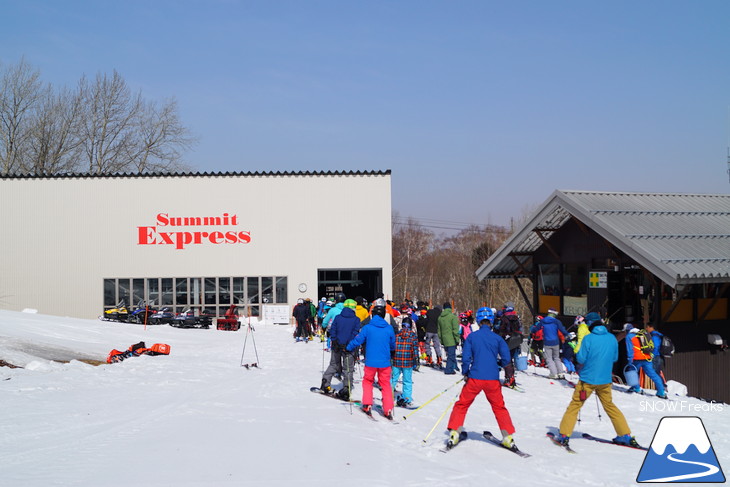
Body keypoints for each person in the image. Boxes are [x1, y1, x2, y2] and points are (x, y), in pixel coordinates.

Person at [556, 315, 639, 448]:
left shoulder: (588, 338)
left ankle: (564, 435)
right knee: (610, 407)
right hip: (605, 380)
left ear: (590, 326)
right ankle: (625, 435)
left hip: (587, 379)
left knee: (575, 406)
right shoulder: (612, 338)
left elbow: (581, 359)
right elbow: (615, 358)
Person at [446, 306, 518, 449]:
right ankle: (508, 436)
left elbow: (466, 357)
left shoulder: (472, 337)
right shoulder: (497, 338)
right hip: (492, 379)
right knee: (499, 407)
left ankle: (454, 432)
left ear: (478, 321)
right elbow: (506, 358)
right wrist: (507, 371)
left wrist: (465, 372)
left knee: (462, 404)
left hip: (475, 378)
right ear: (491, 321)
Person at [346, 299, 396, 419]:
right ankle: (388, 409)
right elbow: (393, 344)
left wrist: (348, 347)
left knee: (368, 381)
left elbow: (358, 340)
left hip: (371, 361)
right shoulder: (389, 328)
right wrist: (392, 351)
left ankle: (367, 404)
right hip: (385, 362)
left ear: (372, 314)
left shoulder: (368, 328)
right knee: (385, 384)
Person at [320, 299, 361, 400]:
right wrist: (348, 344)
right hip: (349, 348)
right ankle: (346, 388)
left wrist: (335, 341)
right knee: (348, 368)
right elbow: (354, 333)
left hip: (336, 346)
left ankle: (325, 382)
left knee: (334, 364)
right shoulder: (356, 319)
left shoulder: (338, 317)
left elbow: (332, 329)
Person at [626, 325, 667, 398]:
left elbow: (630, 350)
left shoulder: (629, 336)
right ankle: (661, 391)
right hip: (647, 357)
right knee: (653, 374)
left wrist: (629, 360)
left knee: (632, 372)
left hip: (637, 358)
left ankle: (636, 388)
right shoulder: (642, 334)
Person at [391, 316, 419, 407]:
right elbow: (415, 349)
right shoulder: (413, 336)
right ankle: (407, 397)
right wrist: (416, 360)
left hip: (397, 360)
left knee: (394, 378)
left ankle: (388, 394)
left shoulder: (397, 335)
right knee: (407, 380)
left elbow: (393, 347)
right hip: (408, 362)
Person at [535, 308, 569, 379]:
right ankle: (561, 373)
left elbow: (536, 329)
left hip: (547, 342)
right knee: (556, 358)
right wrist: (567, 334)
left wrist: (532, 331)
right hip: (556, 342)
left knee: (549, 358)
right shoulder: (557, 321)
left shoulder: (543, 321)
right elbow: (562, 330)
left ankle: (553, 373)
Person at [497, 304, 524, 387]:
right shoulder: (516, 318)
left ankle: (509, 378)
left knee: (506, 359)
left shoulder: (504, 318)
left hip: (507, 340)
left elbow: (502, 330)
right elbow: (520, 329)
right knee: (510, 359)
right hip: (515, 340)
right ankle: (511, 377)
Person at [438, 302, 461, 375]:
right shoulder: (453, 317)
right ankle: (449, 369)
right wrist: (457, 339)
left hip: (444, 339)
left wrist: (441, 340)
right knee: (451, 355)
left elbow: (439, 331)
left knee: (449, 354)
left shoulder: (440, 318)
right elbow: (455, 330)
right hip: (451, 339)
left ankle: (454, 367)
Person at [644, 323, 667, 387]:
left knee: (655, 373)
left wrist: (652, 354)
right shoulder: (659, 335)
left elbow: (656, 346)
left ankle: (662, 387)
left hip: (656, 356)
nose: (646, 329)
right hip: (659, 356)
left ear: (651, 327)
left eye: (647, 327)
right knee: (656, 372)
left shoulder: (654, 336)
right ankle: (661, 387)